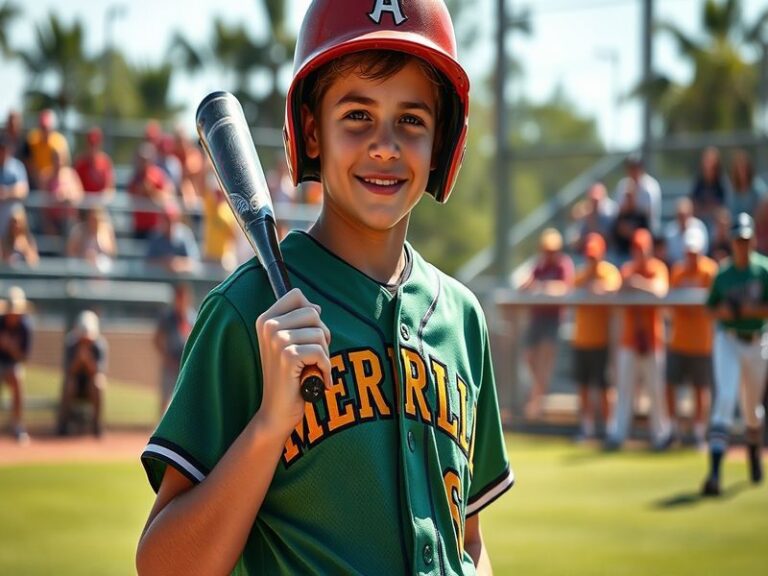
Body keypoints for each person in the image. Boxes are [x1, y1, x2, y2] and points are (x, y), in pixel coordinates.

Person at [136, 2, 512, 574]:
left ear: (442, 141)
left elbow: (469, 539)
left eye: (411, 120)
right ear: (311, 132)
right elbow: (164, 566)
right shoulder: (248, 312)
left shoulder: (461, 318)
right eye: (357, 116)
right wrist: (268, 426)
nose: (385, 145)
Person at [701, 213, 768, 496]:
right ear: (732, 242)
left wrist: (748, 311)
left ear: (752, 239)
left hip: (757, 341)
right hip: (728, 339)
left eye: (745, 239)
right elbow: (710, 307)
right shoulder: (723, 274)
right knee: (726, 399)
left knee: (752, 408)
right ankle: (714, 474)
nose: (742, 244)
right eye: (737, 239)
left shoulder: (763, 270)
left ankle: (753, 448)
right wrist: (724, 312)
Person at [605, 228, 672, 451]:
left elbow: (660, 292)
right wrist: (627, 284)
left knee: (655, 390)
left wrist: (638, 284)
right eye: (636, 249)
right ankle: (617, 435)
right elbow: (615, 295)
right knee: (624, 390)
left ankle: (660, 435)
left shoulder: (657, 269)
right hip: (629, 340)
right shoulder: (627, 270)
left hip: (653, 340)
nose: (640, 254)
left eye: (643, 250)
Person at [665, 227, 717, 449]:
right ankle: (674, 429)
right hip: (679, 340)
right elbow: (672, 307)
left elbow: (710, 306)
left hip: (701, 342)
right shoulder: (677, 272)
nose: (691, 256)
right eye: (688, 252)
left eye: (694, 252)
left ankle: (698, 433)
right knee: (670, 384)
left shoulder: (710, 271)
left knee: (700, 388)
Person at [571, 233, 622, 441]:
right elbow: (572, 289)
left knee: (603, 386)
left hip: (602, 339)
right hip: (582, 339)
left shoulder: (608, 272)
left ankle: (610, 427)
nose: (591, 260)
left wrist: (596, 289)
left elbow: (613, 289)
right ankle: (587, 426)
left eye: (595, 256)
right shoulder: (581, 274)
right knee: (583, 385)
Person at [520, 228, 574, 420]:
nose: (549, 254)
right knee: (529, 358)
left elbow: (564, 288)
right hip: (537, 319)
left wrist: (542, 287)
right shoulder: (539, 266)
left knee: (544, 361)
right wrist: (531, 285)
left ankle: (536, 404)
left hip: (553, 319)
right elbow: (525, 285)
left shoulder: (563, 265)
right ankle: (538, 396)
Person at [57, 310, 108, 437]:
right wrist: (78, 361)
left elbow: (98, 372)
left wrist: (87, 361)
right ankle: (64, 424)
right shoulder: (71, 343)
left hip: (90, 384)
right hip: (75, 383)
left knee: (98, 383)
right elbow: (68, 371)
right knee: (70, 383)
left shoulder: (99, 345)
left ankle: (97, 425)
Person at [153, 283, 196, 413]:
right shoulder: (168, 317)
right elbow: (157, 339)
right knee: (166, 397)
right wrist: (166, 358)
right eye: (179, 297)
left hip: (186, 362)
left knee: (189, 398)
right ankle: (160, 430)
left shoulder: (192, 316)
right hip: (171, 361)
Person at [0, 286, 32, 443]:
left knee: (17, 377)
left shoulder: (25, 326)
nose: (13, 316)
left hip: (12, 364)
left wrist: (10, 347)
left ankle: (17, 424)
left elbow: (23, 358)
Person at [128, 143, 172, 239]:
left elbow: (167, 196)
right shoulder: (135, 178)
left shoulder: (158, 175)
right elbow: (130, 196)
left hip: (155, 226)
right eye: (141, 159)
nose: (143, 162)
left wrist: (151, 191)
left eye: (145, 160)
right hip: (139, 226)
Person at [145, 200, 200, 274]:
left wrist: (177, 264)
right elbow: (148, 262)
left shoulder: (185, 234)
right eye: (166, 219)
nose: (169, 223)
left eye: (171, 219)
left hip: (181, 278)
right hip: (159, 280)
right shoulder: (155, 235)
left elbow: (194, 263)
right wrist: (165, 262)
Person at [38, 147, 84, 236]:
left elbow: (80, 194)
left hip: (70, 219)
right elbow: (42, 201)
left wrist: (69, 196)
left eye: (60, 158)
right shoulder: (46, 175)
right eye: (55, 158)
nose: (58, 162)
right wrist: (48, 224)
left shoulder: (71, 173)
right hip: (52, 220)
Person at [614, 153, 661, 233]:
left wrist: (633, 200)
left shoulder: (650, 186)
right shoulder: (623, 185)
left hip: (646, 229)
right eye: (630, 168)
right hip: (626, 229)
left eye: (635, 167)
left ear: (641, 168)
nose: (633, 171)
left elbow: (648, 213)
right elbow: (617, 210)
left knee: (640, 239)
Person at [24, 109, 70, 189]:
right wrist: (38, 179)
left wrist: (49, 176)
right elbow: (29, 164)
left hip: (55, 184)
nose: (44, 130)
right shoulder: (32, 140)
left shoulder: (60, 141)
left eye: (46, 127)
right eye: (42, 127)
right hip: (36, 183)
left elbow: (65, 164)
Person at [569, 182, 616, 255]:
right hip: (586, 254)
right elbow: (575, 242)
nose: (595, 203)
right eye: (592, 200)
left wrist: (592, 221)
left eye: (596, 200)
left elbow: (607, 240)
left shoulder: (609, 214)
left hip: (607, 254)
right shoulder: (584, 214)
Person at [66, 205, 117, 272]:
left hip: (100, 264)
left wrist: (97, 256)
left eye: (97, 219)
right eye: (92, 219)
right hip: (81, 262)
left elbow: (112, 252)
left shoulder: (106, 230)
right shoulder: (79, 230)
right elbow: (71, 251)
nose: (94, 222)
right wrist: (84, 256)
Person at [611, 182, 650, 263]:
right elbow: (614, 235)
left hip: (638, 253)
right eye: (627, 197)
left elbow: (646, 234)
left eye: (631, 196)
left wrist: (631, 233)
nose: (629, 199)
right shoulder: (620, 216)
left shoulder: (641, 215)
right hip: (622, 252)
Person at [664, 197, 709, 266]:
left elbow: (702, 252)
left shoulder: (699, 227)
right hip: (675, 269)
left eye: (684, 215)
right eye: (679, 215)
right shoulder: (669, 231)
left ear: (690, 213)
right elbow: (668, 255)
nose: (682, 218)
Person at [0, 132, 29, 237]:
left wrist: (6, 192)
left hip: (12, 214)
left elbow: (23, 190)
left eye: (5, 148)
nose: (3, 151)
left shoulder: (17, 166)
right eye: (1, 148)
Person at [690, 146, 727, 229]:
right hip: (700, 222)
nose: (708, 165)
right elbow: (694, 205)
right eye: (706, 161)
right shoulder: (699, 182)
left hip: (716, 224)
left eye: (711, 162)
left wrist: (707, 208)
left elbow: (723, 208)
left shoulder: (721, 182)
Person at [73, 127, 115, 197]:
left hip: (100, 204)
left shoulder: (105, 161)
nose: (93, 147)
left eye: (95, 143)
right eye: (91, 143)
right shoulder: (80, 162)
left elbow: (110, 188)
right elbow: (74, 185)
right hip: (83, 204)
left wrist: (102, 198)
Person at [727, 150, 766, 219]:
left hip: (756, 224)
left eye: (744, 168)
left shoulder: (757, 186)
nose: (742, 172)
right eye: (739, 169)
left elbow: (764, 205)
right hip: (737, 225)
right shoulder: (732, 189)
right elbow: (731, 211)